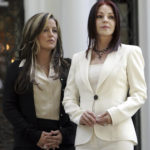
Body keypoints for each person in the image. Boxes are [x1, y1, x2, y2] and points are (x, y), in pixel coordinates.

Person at [62, 0, 147, 150]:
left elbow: (139, 95)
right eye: (100, 16)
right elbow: (69, 98)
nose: (105, 20)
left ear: (116, 23)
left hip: (118, 136)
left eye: (111, 17)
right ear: (92, 22)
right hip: (85, 138)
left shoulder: (130, 53)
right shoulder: (78, 58)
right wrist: (78, 115)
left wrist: (114, 114)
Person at [3, 12, 76, 150]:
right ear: (33, 34)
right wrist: (34, 135)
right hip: (28, 140)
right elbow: (9, 106)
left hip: (62, 141)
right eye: (45, 30)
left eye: (54, 30)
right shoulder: (17, 68)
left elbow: (80, 102)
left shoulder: (69, 66)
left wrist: (64, 134)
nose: (51, 34)